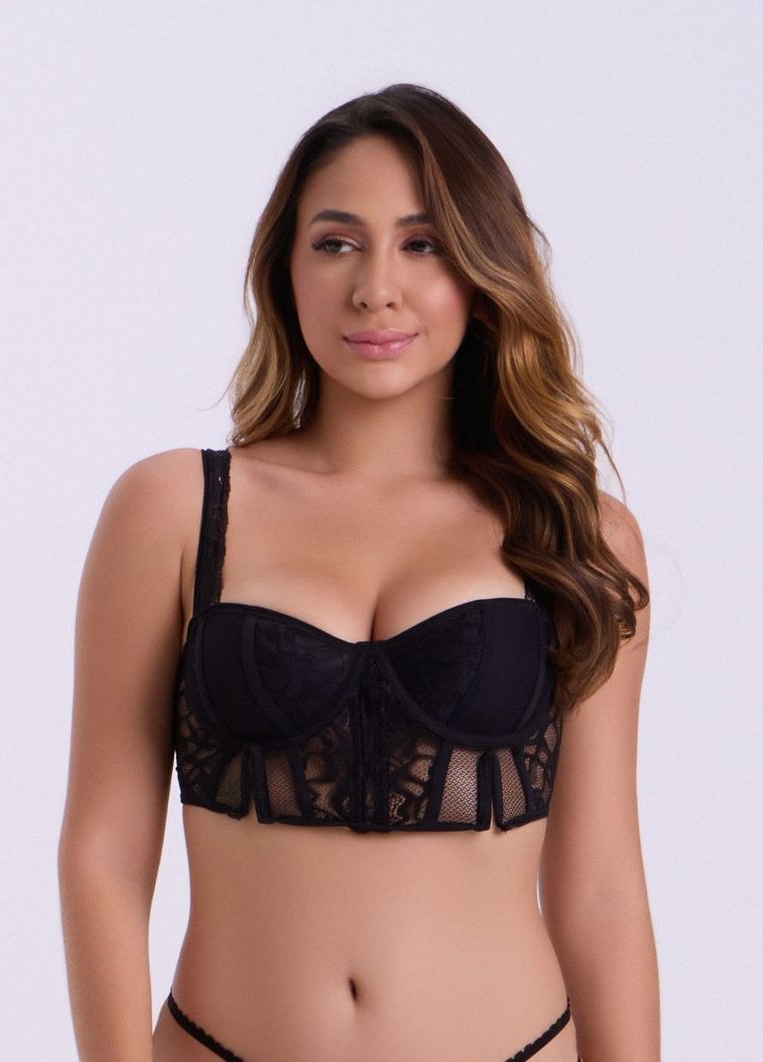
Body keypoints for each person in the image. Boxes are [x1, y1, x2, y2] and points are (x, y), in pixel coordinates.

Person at [57, 83, 660, 1061]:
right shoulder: (171, 511)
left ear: (482, 269)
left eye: (423, 245)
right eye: (337, 242)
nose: (376, 287)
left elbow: (599, 888)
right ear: (284, 269)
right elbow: (102, 855)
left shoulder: (576, 535)